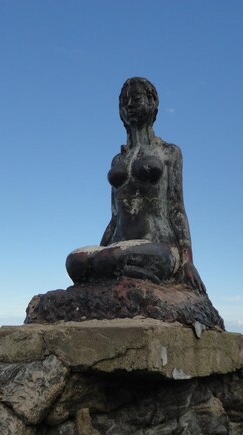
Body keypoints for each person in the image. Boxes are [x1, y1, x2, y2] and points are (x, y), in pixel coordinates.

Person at [66, 77, 206, 293]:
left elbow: (177, 209)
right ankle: (115, 270)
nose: (129, 105)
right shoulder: (117, 160)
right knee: (75, 261)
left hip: (160, 246)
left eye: (135, 99)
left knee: (109, 259)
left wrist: (187, 260)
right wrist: (96, 255)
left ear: (152, 102)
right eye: (124, 101)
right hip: (117, 245)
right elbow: (114, 218)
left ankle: (139, 276)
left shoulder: (169, 153)